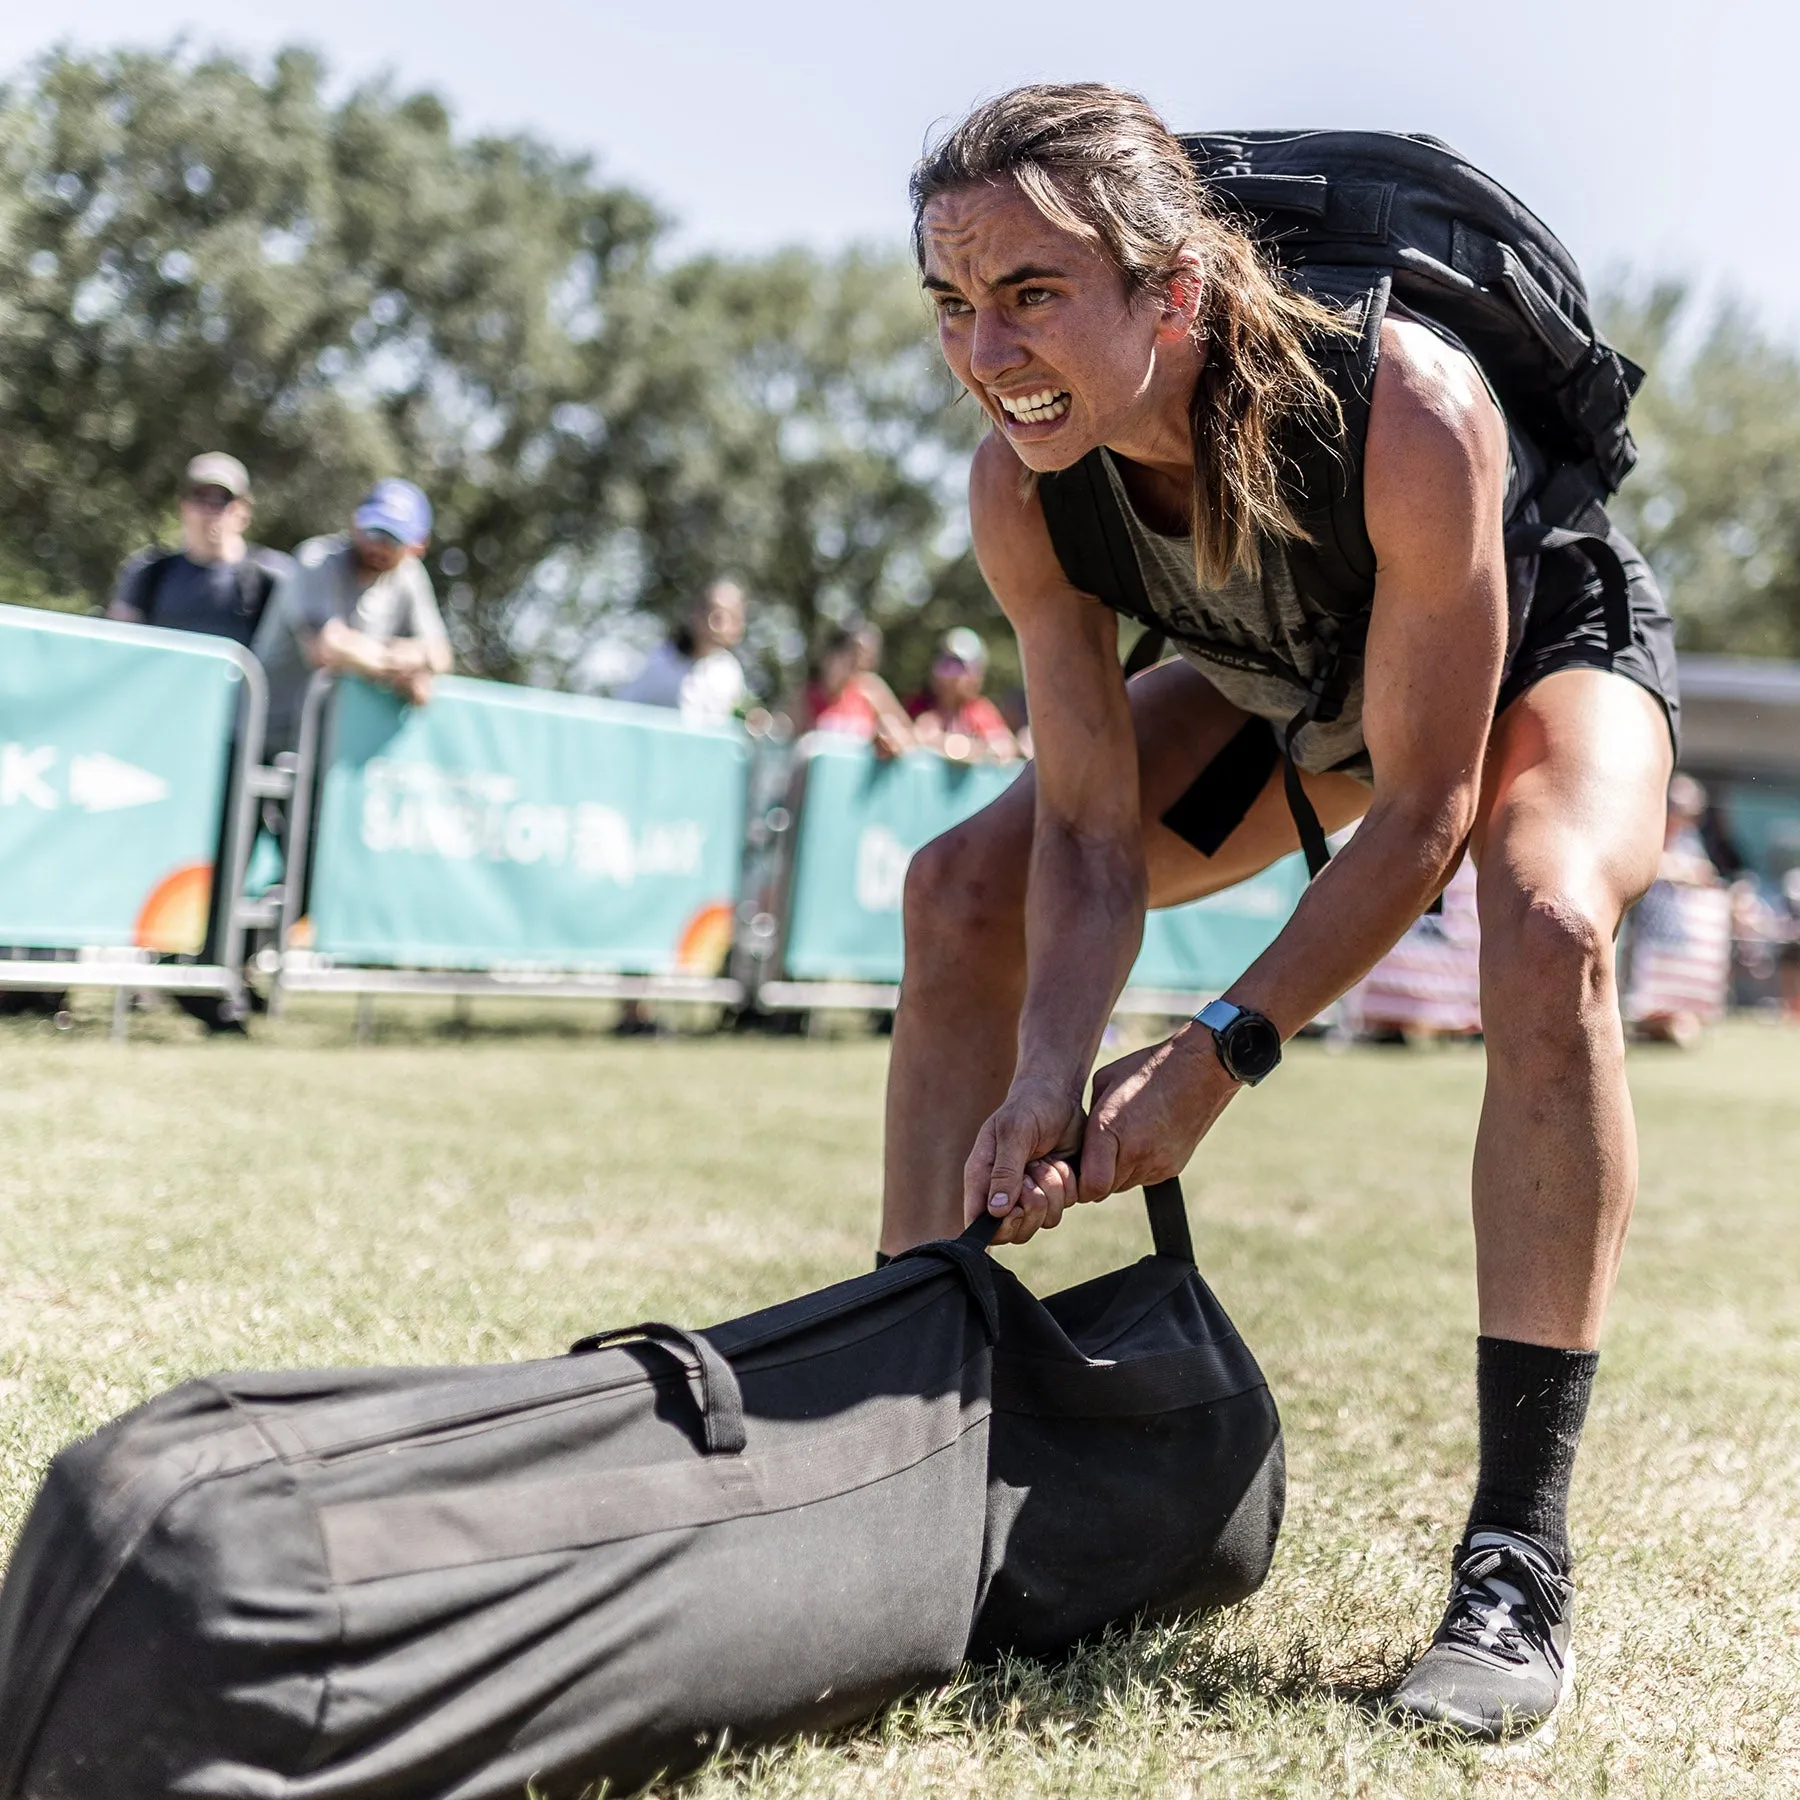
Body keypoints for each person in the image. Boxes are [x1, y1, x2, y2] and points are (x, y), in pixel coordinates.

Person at [882, 87, 1680, 1741]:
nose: (986, 346)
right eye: (955, 303)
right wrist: (1049, 1066)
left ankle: (1516, 1564)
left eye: (1032, 292)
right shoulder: (1020, 486)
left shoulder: (1405, 403)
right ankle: (902, 1432)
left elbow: (1424, 813)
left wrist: (1216, 1052)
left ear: (1167, 292)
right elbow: (1090, 837)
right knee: (962, 892)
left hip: (1530, 651)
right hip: (1288, 685)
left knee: (1545, 923)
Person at [252, 479, 451, 759]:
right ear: (356, 523)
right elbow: (326, 647)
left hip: (331, 751)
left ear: (419, 545)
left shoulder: (411, 577)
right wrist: (398, 668)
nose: (379, 546)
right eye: (373, 531)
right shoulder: (318, 559)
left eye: (393, 538)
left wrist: (418, 659)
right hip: (260, 740)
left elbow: (441, 654)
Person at [109, 453, 293, 647]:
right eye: (200, 497)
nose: (210, 510)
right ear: (183, 505)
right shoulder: (149, 573)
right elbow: (119, 649)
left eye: (222, 500)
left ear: (243, 511)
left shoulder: (275, 578)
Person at [615, 580, 748, 725]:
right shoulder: (661, 662)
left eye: (727, 616)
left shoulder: (730, 672)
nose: (715, 624)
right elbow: (625, 714)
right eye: (709, 612)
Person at [795, 624, 914, 757]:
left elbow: (907, 740)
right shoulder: (805, 696)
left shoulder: (870, 690)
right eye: (839, 655)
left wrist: (887, 741)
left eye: (851, 658)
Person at [906, 627, 1022, 762]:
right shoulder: (920, 706)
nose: (950, 674)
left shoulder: (979, 711)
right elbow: (912, 738)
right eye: (945, 664)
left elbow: (1004, 746)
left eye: (959, 667)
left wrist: (963, 747)